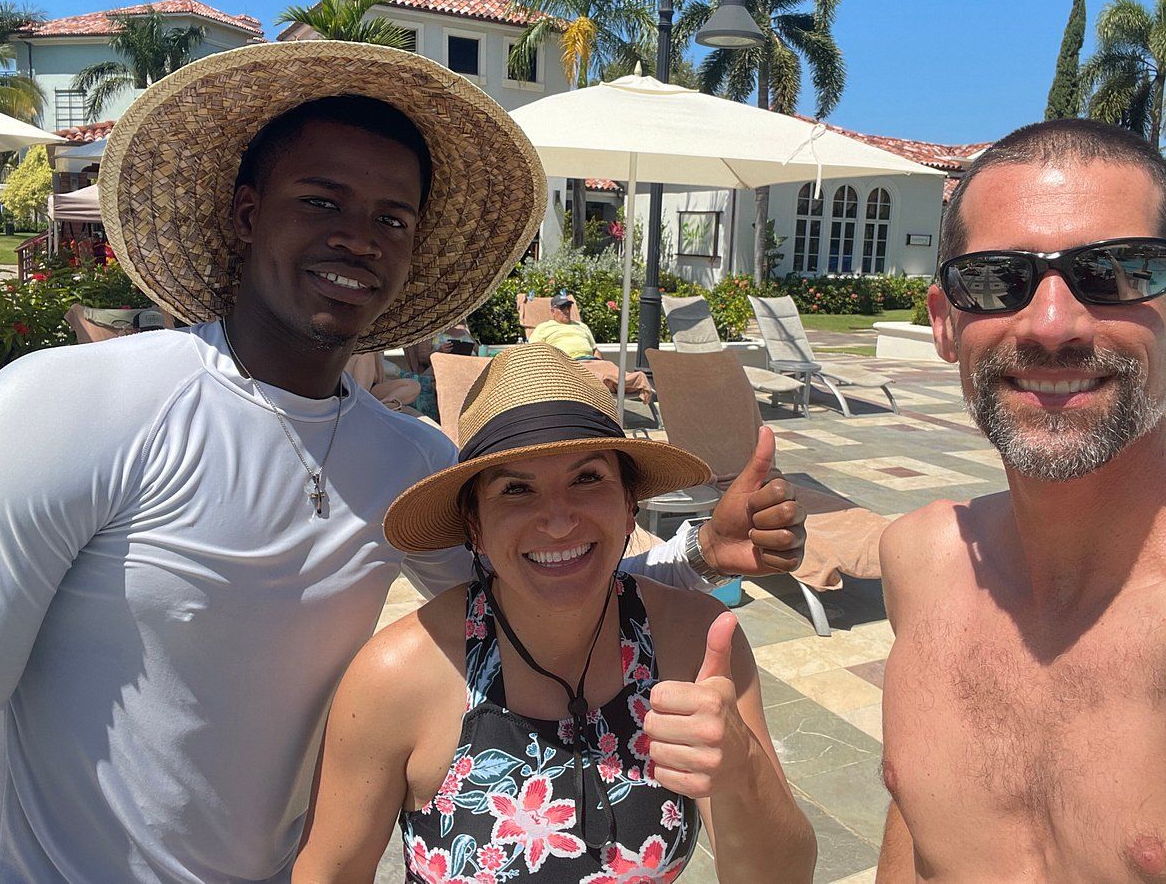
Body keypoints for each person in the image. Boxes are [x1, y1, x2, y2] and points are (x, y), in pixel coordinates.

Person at [0, 42, 806, 883]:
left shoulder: (404, 459)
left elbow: (537, 579)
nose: (358, 238)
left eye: (392, 217)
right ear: (247, 213)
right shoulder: (74, 408)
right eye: (321, 201)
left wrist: (695, 555)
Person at [875, 118, 1166, 882]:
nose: (1051, 325)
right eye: (995, 278)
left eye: (1118, 271)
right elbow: (918, 836)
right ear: (945, 322)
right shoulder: (921, 561)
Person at [294, 344, 816, 882]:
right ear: (474, 525)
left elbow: (782, 873)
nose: (559, 521)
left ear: (628, 502)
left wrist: (740, 769)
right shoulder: (400, 677)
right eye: (516, 489)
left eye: (587, 478)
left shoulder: (695, 647)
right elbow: (328, 873)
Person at [533, 291, 653, 403]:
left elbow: (595, 350)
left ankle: (620, 382)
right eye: (562, 308)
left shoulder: (582, 326)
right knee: (595, 377)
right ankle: (609, 387)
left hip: (593, 362)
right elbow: (535, 351)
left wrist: (601, 363)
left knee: (620, 373)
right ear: (552, 311)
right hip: (571, 364)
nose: (567, 311)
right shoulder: (543, 328)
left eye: (568, 307)